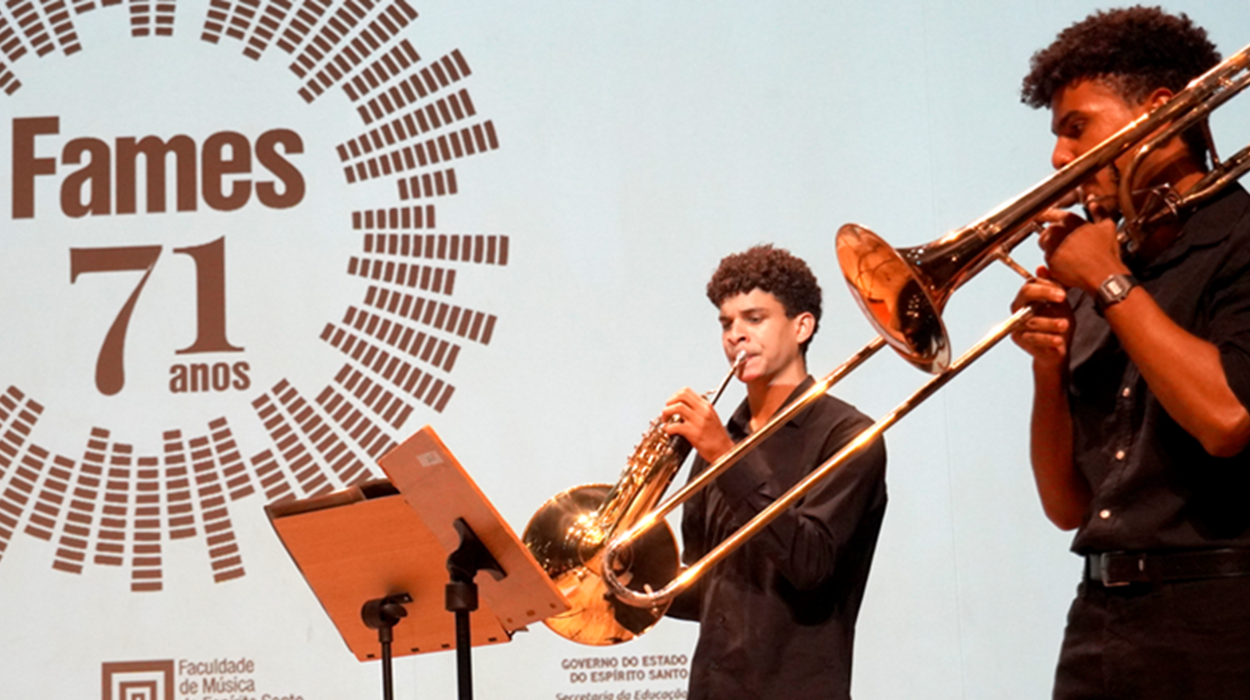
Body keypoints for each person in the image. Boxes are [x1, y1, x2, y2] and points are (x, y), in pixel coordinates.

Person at [1011, 6, 1250, 698]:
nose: (1059, 159)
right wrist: (1047, 367)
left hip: (1223, 617)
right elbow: (1067, 505)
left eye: (1076, 127)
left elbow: (1228, 419)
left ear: (1159, 113)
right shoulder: (1102, 272)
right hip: (1100, 619)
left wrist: (1111, 284)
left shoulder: (1238, 240)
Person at [661, 244, 887, 700]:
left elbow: (809, 564)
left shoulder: (848, 435)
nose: (736, 336)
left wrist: (726, 459)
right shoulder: (722, 439)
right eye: (726, 323)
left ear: (802, 326)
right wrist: (626, 579)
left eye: (754, 318)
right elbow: (708, 589)